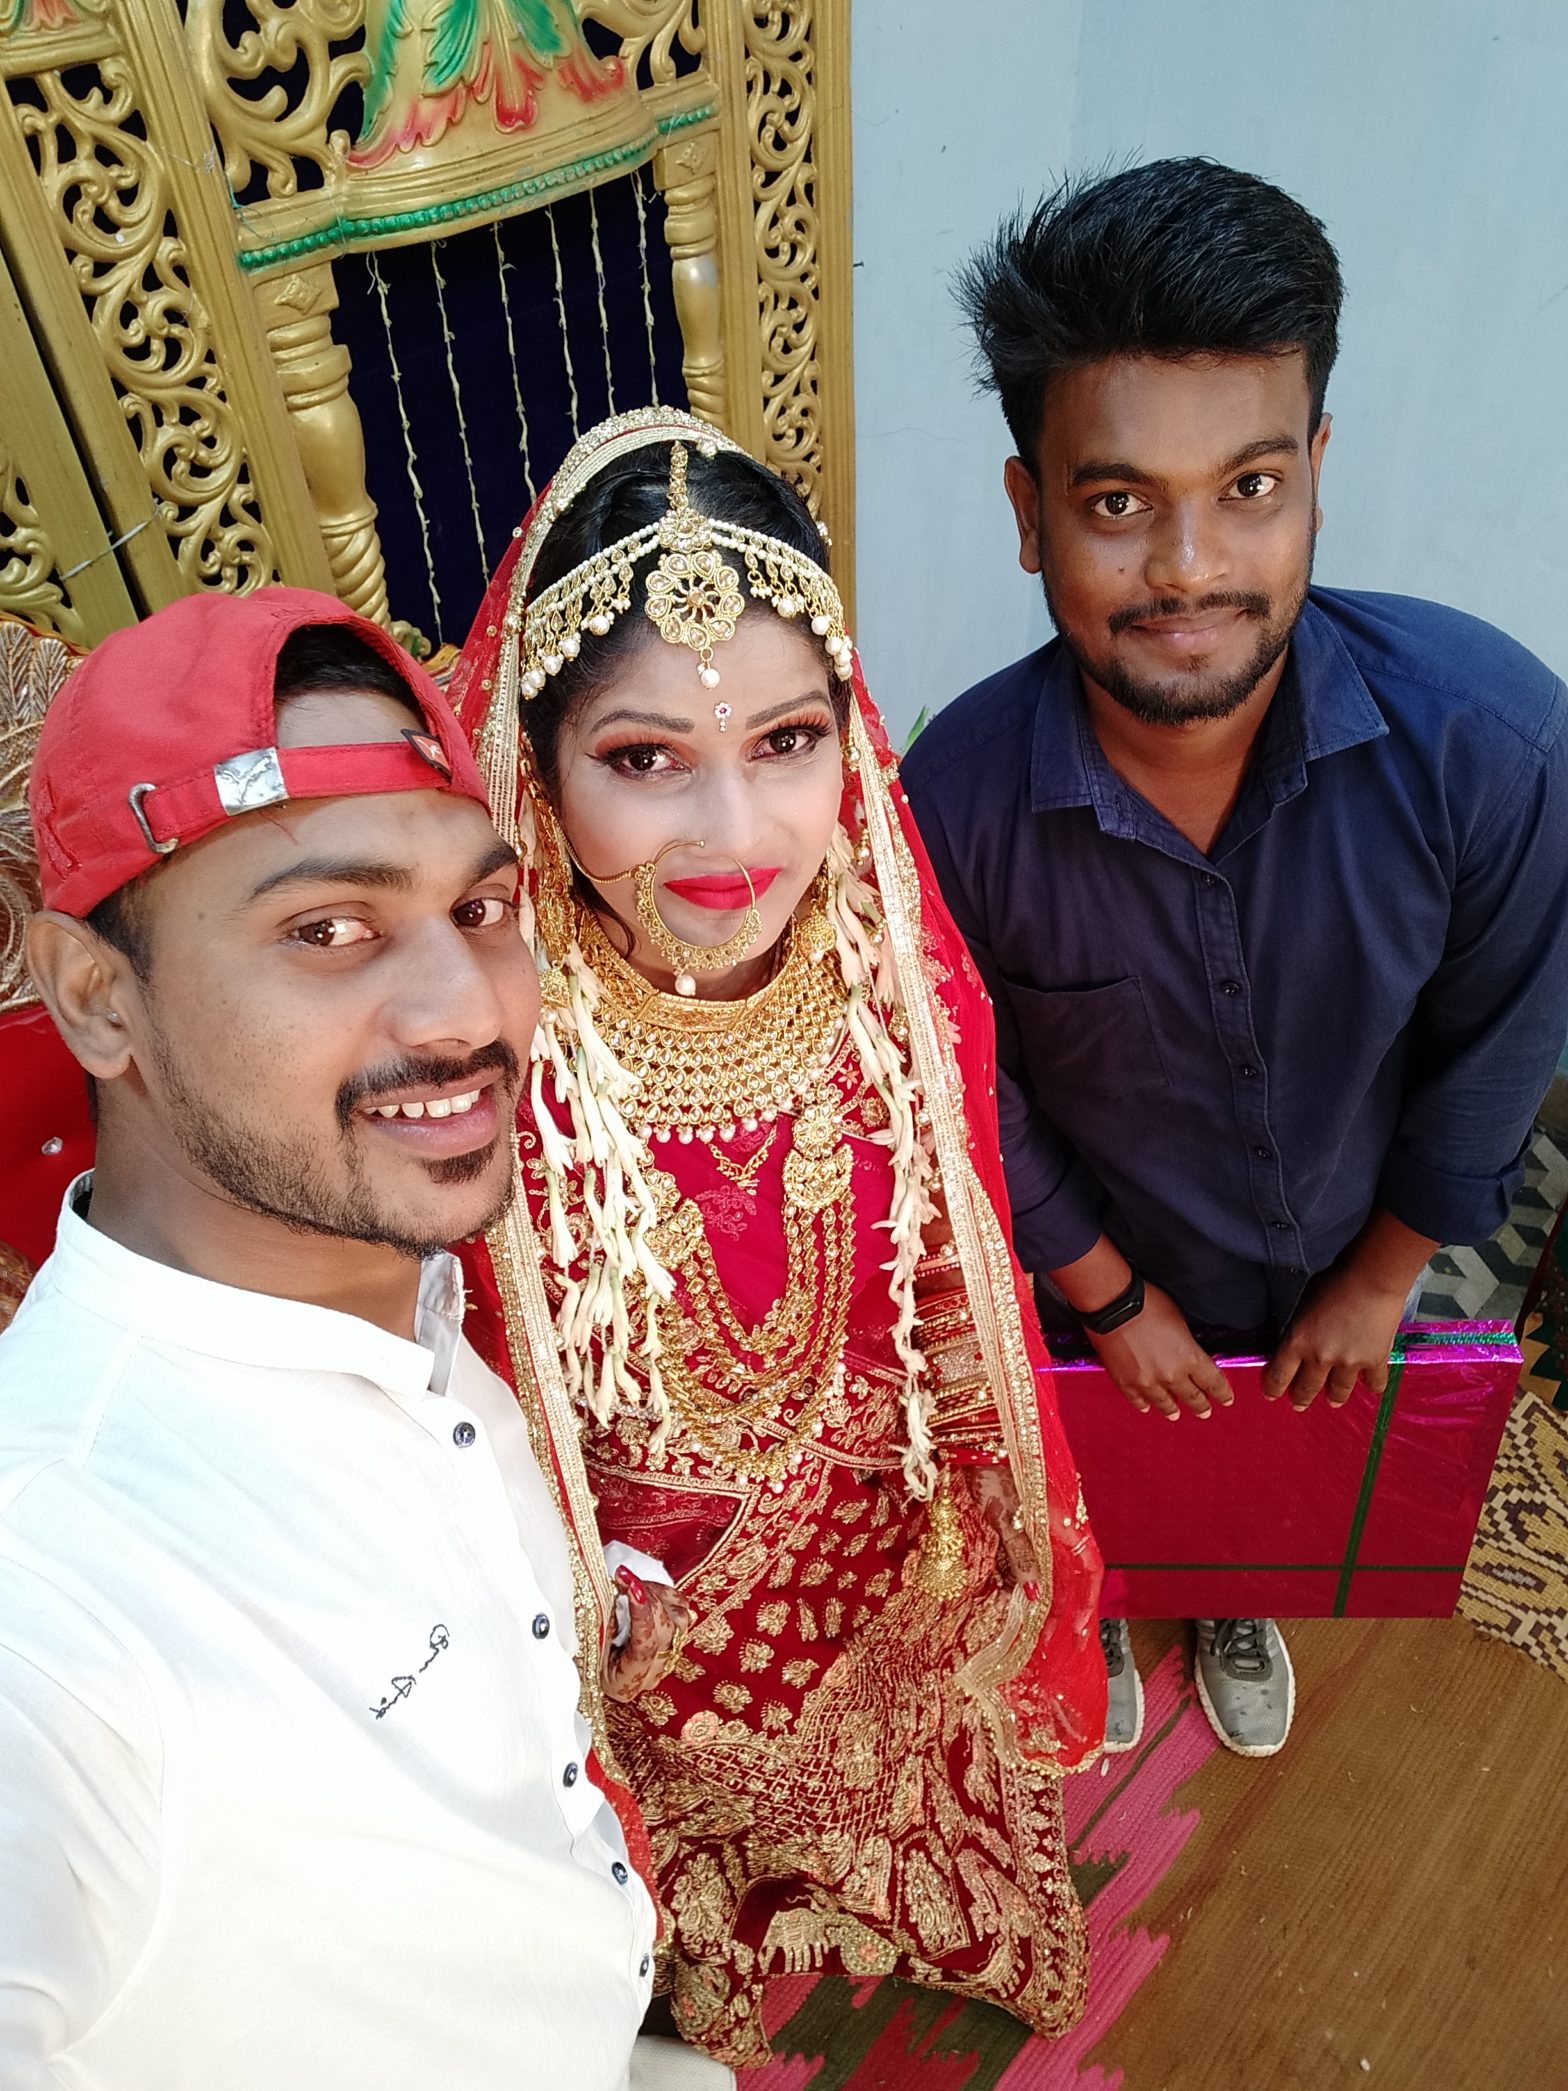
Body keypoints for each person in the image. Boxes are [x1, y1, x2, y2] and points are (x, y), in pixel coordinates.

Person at [449, 408, 1107, 2069]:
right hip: (636, 1596)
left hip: (879, 1534)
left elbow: (957, 1278)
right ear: (539, 769)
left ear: (848, 739)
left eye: (789, 741)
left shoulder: (886, 975)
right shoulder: (492, 1051)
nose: (736, 836)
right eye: (644, 759)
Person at [902, 157, 1568, 1758]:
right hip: (1076, 1285)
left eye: (1250, 487)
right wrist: (1108, 1296)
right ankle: (1102, 1592)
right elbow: (969, 1088)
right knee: (1090, 1477)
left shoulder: (1491, 747)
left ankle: (1233, 1590)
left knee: (1264, 1493)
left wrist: (1381, 1283)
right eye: (1119, 504)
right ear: (1030, 512)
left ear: (1317, 471)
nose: (1190, 568)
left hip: (1336, 1264)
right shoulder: (953, 807)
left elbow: (1497, 1050)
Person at [0, 588, 677, 2088]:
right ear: (97, 999)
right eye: (328, 929)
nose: (466, 1012)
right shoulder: (53, 1591)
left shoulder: (404, 1293)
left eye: (480, 912)